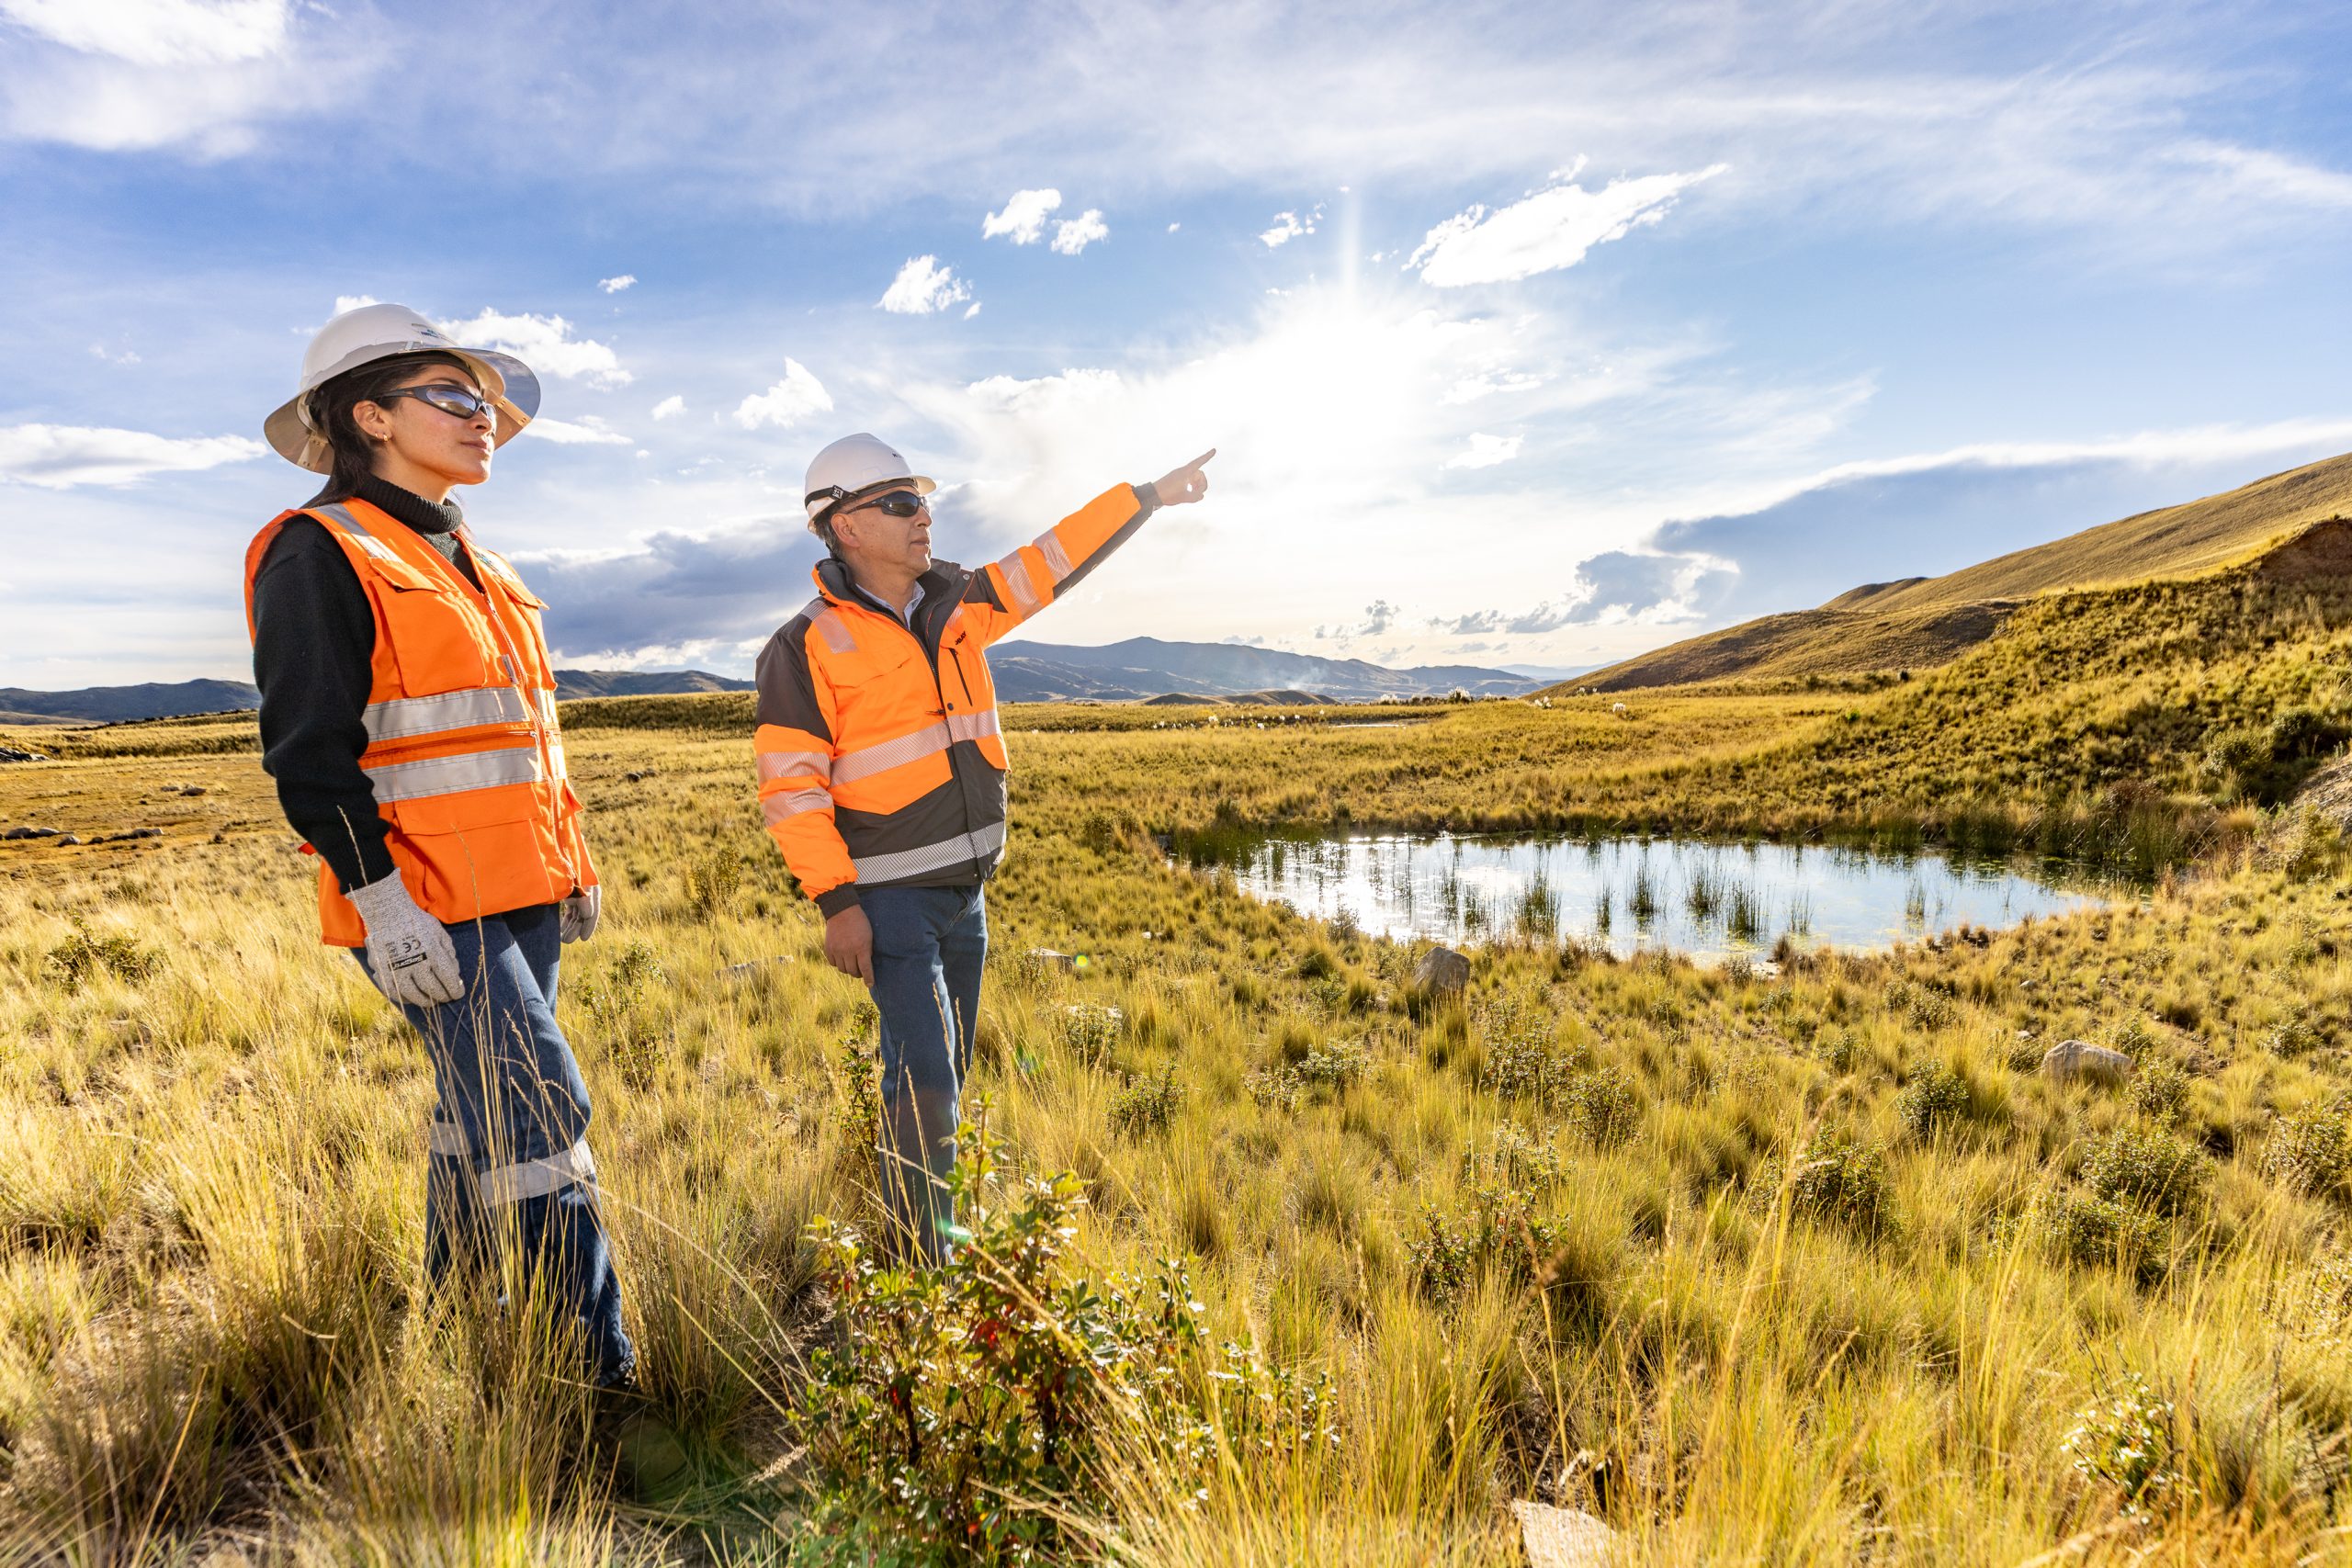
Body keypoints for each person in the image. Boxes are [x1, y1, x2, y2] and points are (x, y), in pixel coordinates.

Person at [243, 302, 633, 1388]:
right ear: (370, 415)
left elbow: (524, 743)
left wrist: (573, 869)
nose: (486, 418)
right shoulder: (319, 552)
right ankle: (600, 1397)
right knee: (541, 1110)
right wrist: (380, 902)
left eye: (488, 401)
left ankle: (462, 1332)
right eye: (456, 397)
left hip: (520, 888)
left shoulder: (477, 562)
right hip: (423, 902)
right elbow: (310, 756)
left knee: (478, 1118)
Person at [753, 433, 1216, 1258]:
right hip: (889, 902)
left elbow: (1051, 559)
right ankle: (924, 1271)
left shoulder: (960, 603)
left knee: (942, 1072)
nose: (922, 514)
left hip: (966, 894)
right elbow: (791, 790)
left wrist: (1144, 496)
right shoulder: (803, 646)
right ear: (844, 526)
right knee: (928, 1079)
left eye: (922, 499)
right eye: (899, 502)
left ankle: (916, 1237)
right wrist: (836, 902)